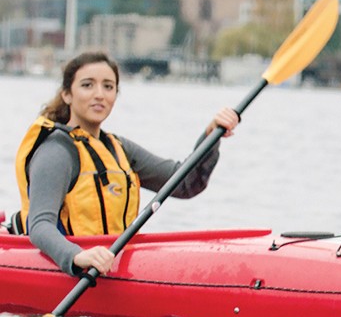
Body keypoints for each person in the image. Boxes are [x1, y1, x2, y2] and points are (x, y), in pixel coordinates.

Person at [13, 50, 240, 277]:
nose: (99, 94)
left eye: (108, 87)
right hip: (72, 264)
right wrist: (76, 256)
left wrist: (211, 137)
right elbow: (40, 225)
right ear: (67, 94)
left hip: (109, 262)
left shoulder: (119, 148)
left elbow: (186, 183)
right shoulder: (56, 151)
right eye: (87, 85)